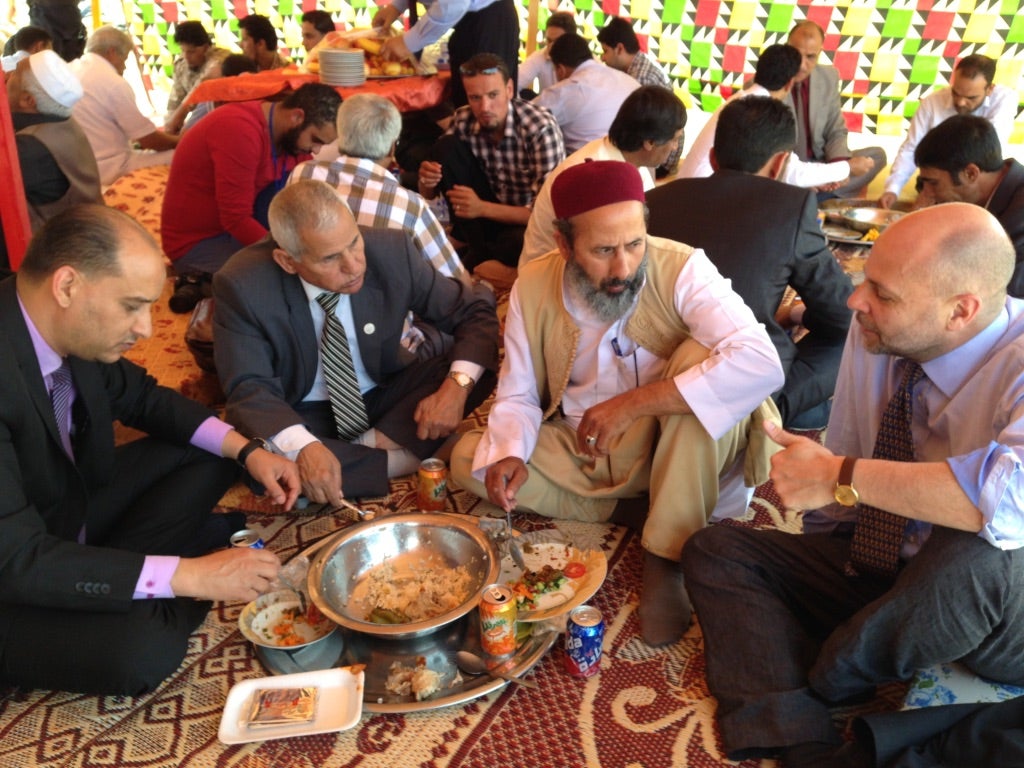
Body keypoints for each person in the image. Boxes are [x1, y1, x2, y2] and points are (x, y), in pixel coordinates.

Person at [680, 203, 1024, 767]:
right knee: (718, 549)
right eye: (865, 280)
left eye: (882, 294)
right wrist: (832, 555)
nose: (854, 301)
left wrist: (840, 477)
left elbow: (1009, 506)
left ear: (961, 311)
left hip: (1001, 607)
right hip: (898, 570)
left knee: (976, 548)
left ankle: (832, 674)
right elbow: (847, 451)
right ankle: (799, 740)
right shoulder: (879, 337)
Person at [450, 160, 784, 647]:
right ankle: (644, 508)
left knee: (700, 362)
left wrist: (634, 404)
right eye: (604, 250)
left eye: (634, 244)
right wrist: (510, 454)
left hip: (676, 446)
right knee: (470, 459)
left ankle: (667, 556)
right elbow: (519, 390)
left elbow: (761, 363)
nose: (624, 267)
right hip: (586, 447)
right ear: (564, 245)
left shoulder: (684, 267)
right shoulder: (533, 286)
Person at [0, 204, 300, 695]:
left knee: (210, 449)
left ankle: (137, 575)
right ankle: (153, 579)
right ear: (68, 286)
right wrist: (191, 577)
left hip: (65, 511)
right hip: (14, 574)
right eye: (133, 306)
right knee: (143, 650)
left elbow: (145, 399)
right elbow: (18, 560)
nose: (146, 328)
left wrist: (249, 452)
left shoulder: (60, 326)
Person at [213, 180, 499, 503]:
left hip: (385, 393)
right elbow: (249, 387)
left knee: (475, 362)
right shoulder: (242, 285)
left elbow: (473, 311)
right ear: (287, 261)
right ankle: (405, 457)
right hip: (305, 411)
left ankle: (351, 461)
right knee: (260, 456)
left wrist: (456, 387)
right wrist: (305, 446)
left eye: (354, 242)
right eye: (330, 259)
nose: (353, 266)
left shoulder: (391, 250)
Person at [649, 97, 853, 429]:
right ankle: (774, 414)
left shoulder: (654, 200)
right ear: (780, 164)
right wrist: (800, 315)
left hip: (653, 375)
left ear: (713, 158)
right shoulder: (793, 206)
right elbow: (840, 315)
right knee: (853, 336)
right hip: (739, 388)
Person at [289, 92, 472, 358]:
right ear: (391, 148)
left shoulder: (303, 175)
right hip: (381, 352)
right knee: (472, 303)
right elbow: (456, 284)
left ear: (341, 134)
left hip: (304, 335)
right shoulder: (408, 205)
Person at [161, 83, 340, 312]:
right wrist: (293, 256)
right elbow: (235, 219)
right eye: (316, 139)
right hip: (198, 243)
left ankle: (211, 283)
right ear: (297, 116)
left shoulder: (289, 138)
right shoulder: (239, 129)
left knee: (310, 266)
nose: (315, 150)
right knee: (290, 286)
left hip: (234, 232)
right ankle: (199, 281)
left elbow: (300, 197)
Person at [419, 53, 565, 282]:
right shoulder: (464, 119)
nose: (484, 107)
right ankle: (477, 248)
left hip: (524, 221)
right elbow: (430, 192)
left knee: (518, 244)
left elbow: (547, 215)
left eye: (493, 95)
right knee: (445, 147)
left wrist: (482, 208)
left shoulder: (539, 128)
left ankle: (483, 255)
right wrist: (425, 181)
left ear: (509, 89)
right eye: (475, 97)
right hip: (482, 219)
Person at [520, 85, 684, 267]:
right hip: (553, 276)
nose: (675, 148)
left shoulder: (629, 162)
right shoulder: (594, 176)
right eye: (675, 139)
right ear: (650, 142)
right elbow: (597, 256)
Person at [677, 44, 851, 190]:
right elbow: (791, 171)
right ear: (790, 82)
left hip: (694, 187)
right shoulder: (760, 112)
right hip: (707, 191)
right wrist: (849, 167)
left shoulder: (743, 99)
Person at [1, 50, 101, 275]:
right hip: (86, 239)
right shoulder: (60, 119)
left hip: (62, 261)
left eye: (14, 74)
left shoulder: (31, 148)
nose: (6, 76)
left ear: (28, 100)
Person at [880, 55, 1017, 209]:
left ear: (990, 89)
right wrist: (893, 189)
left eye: (970, 97)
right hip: (938, 176)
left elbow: (986, 150)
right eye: (956, 93)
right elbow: (911, 147)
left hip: (977, 179)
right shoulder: (932, 102)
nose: (960, 102)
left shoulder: (1004, 100)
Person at [913, 114, 1024, 297]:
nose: (926, 193)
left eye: (933, 183)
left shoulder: (1018, 213)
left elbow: (1008, 287)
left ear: (971, 173)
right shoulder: (985, 191)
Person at [785, 20, 886, 198]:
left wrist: (839, 169)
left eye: (810, 57)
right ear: (785, 48)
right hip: (789, 169)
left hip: (822, 163)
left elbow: (836, 130)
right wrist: (808, 177)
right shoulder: (768, 82)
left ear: (819, 54)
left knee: (877, 156)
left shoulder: (828, 77)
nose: (802, 65)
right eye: (796, 54)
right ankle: (815, 194)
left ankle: (821, 192)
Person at [70, 26, 180, 186]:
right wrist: (181, 140)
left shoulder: (71, 69)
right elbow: (150, 141)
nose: (125, 67)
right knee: (184, 154)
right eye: (125, 59)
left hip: (78, 168)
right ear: (112, 52)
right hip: (111, 168)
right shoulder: (112, 82)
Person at [372, 0, 519, 108]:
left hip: (488, 23)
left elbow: (452, 4)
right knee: (465, 105)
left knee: (485, 107)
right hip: (466, 24)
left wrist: (409, 41)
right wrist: (397, 6)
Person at [595, 15, 681, 177]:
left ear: (619, 49)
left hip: (661, 158)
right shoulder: (641, 64)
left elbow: (642, 135)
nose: (603, 58)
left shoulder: (640, 79)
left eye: (605, 51)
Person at [534, 33, 639, 153]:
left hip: (585, 166)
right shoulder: (630, 81)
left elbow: (522, 119)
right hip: (633, 167)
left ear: (560, 70)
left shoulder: (566, 90)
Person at [162, 21, 229, 132]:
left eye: (191, 52)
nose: (186, 56)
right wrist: (170, 124)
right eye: (183, 51)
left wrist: (181, 112)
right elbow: (175, 100)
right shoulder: (181, 65)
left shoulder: (220, 58)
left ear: (206, 47)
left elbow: (204, 83)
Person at [517, 11, 576, 98]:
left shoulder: (588, 63)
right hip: (547, 109)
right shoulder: (540, 56)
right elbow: (514, 84)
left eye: (557, 41)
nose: (551, 46)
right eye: (549, 40)